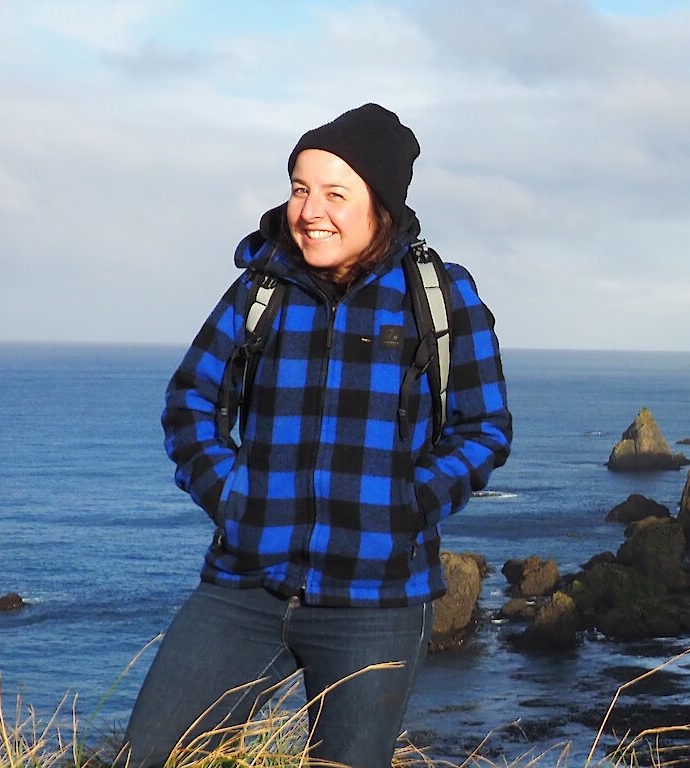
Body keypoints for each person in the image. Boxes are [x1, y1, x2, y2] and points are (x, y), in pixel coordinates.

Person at [123, 103, 512, 768]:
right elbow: (191, 400)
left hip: (377, 600)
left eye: (336, 193)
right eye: (301, 188)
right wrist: (234, 497)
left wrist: (405, 504)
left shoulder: (438, 297)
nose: (310, 211)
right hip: (245, 584)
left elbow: (483, 428)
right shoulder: (262, 289)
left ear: (379, 204)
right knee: (150, 756)